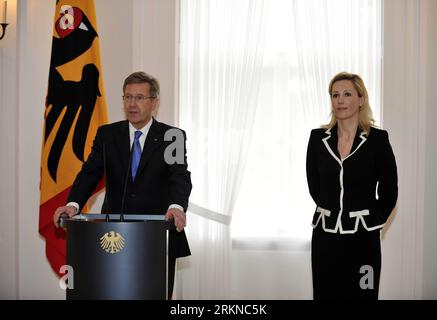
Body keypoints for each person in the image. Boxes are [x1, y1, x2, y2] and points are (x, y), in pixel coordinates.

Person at [53, 71, 192, 299]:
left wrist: (176, 206)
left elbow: (179, 175)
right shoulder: (108, 135)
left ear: (154, 102)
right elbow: (90, 173)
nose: (132, 104)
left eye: (139, 97)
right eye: (127, 97)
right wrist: (73, 204)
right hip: (112, 236)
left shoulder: (171, 136)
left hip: (157, 236)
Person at [306, 72, 398, 300]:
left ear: (361, 99)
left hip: (363, 240)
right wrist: (333, 211)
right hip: (325, 237)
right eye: (335, 95)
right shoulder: (317, 139)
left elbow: (389, 190)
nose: (340, 100)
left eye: (347, 94)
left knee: (363, 294)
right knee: (325, 295)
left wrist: (370, 221)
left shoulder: (378, 139)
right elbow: (315, 186)